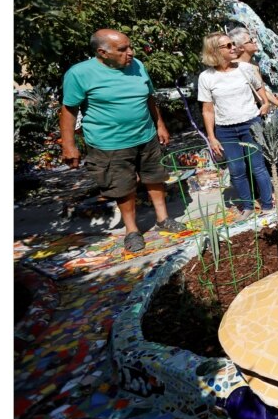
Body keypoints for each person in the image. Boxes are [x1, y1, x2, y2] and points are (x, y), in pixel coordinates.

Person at [60, 29, 186, 253]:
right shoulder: (80, 73)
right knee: (122, 186)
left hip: (145, 135)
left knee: (155, 177)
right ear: (102, 52)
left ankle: (163, 218)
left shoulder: (137, 65)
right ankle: (132, 230)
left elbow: (149, 97)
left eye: (130, 47)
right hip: (109, 143)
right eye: (123, 49)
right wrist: (68, 146)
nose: (131, 53)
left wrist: (160, 125)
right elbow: (69, 110)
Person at [198, 32, 276, 220]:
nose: (234, 48)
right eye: (228, 46)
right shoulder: (206, 77)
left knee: (257, 166)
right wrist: (212, 137)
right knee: (236, 169)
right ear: (214, 51)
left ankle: (267, 204)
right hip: (225, 130)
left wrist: (265, 103)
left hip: (250, 124)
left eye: (233, 44)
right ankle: (247, 206)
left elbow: (259, 87)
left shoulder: (245, 68)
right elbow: (208, 110)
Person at [227, 27, 278, 114]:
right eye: (251, 40)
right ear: (241, 48)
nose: (255, 41)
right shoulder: (233, 67)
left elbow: (263, 91)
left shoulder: (254, 64)